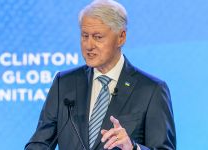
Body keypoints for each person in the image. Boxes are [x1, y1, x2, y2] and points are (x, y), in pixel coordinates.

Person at [25, 0, 176, 149]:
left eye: (98, 37)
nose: (89, 45)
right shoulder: (64, 83)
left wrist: (133, 148)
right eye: (85, 36)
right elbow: (40, 142)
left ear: (121, 37)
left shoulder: (151, 90)